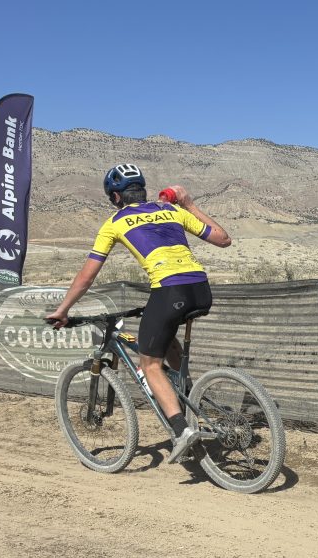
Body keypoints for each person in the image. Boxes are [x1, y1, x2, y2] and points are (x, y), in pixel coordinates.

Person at [46, 164, 231, 463]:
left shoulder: (115, 222)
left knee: (148, 364)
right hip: (201, 288)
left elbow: (86, 277)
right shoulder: (172, 211)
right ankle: (188, 399)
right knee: (167, 341)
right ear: (143, 190)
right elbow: (223, 239)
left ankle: (182, 430)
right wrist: (190, 204)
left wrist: (63, 310)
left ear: (116, 197)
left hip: (170, 291)